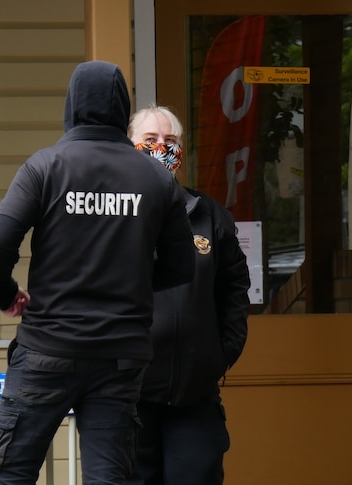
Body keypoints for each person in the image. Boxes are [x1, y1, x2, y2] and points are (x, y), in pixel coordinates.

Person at [0, 62, 195, 485]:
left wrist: (5, 293)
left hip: (47, 348)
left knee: (12, 473)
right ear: (122, 110)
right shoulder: (155, 178)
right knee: (109, 478)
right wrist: (131, 282)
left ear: (71, 105)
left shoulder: (46, 166)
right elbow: (180, 265)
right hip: (120, 356)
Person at [126, 106, 250, 485]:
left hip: (195, 400)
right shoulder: (113, 217)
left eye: (170, 141)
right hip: (129, 399)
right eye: (149, 140)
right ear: (128, 146)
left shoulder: (211, 217)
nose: (161, 148)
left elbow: (234, 293)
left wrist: (218, 355)